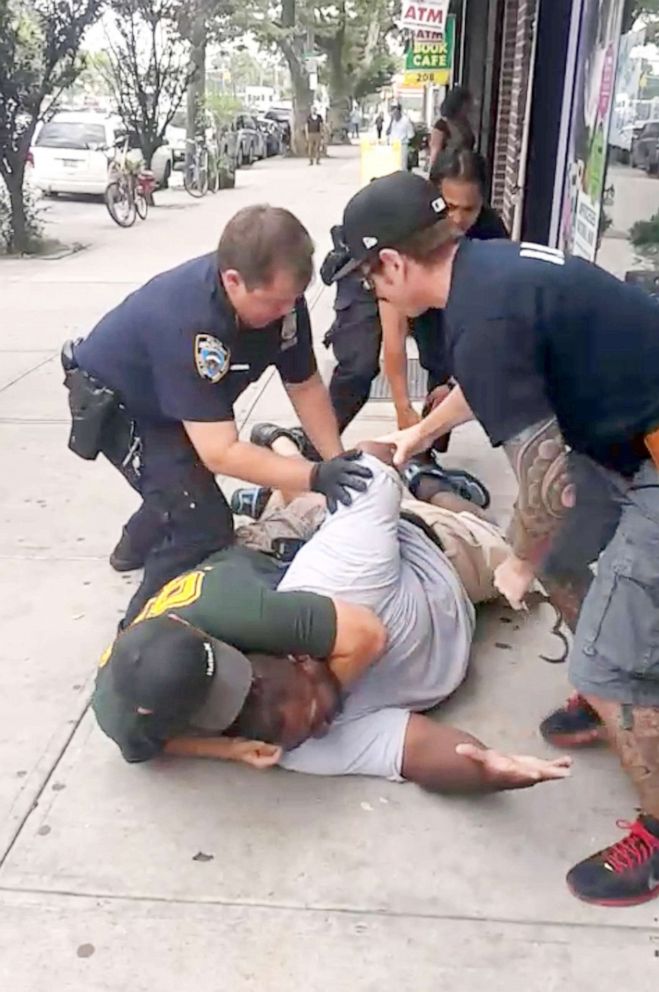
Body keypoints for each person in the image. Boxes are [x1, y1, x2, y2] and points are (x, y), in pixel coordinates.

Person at [333, 168, 659, 907]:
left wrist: (517, 560)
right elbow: (498, 381)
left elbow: (549, 490)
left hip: (645, 457)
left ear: (392, 262)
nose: (370, 292)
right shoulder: (487, 269)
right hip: (629, 439)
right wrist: (417, 431)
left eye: (366, 277)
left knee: (607, 653)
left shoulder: (477, 320)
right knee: (569, 563)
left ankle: (641, 767)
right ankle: (612, 687)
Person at [94, 437, 570, 797]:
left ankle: (412, 477)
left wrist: (382, 453)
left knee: (505, 543)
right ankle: (281, 473)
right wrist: (486, 769)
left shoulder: (320, 586)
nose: (320, 723)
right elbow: (418, 752)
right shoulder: (294, 741)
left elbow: (368, 474)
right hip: (297, 559)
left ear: (300, 655)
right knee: (297, 514)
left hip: (431, 549)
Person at [62, 205, 371, 625]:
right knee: (201, 524)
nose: (287, 312)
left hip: (173, 400)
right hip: (121, 403)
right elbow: (220, 452)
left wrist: (335, 459)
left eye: (293, 300)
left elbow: (305, 383)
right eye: (276, 302)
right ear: (233, 281)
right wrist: (312, 477)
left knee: (180, 486)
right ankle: (139, 640)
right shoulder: (190, 320)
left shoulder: (283, 302)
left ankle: (134, 544)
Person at [318, 224, 489, 508]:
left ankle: (421, 464)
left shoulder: (482, 302)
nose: (458, 219)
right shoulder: (398, 270)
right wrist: (409, 416)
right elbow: (393, 339)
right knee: (357, 368)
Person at [379, 150, 508, 449]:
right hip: (391, 283)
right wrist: (402, 406)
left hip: (456, 303)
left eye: (469, 209)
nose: (458, 220)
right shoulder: (408, 230)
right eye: (449, 207)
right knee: (357, 366)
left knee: (445, 379)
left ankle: (426, 451)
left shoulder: (491, 234)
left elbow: (494, 327)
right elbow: (394, 332)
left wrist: (453, 383)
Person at [428, 85, 475, 172]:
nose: (470, 106)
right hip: (450, 170)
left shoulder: (465, 123)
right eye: (467, 103)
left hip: (466, 168)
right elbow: (435, 152)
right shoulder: (442, 125)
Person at [387, 105, 415, 170]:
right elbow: (387, 132)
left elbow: (411, 135)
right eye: (393, 113)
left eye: (396, 113)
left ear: (399, 112)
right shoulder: (391, 121)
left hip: (402, 145)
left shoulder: (406, 121)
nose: (394, 115)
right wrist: (391, 122)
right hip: (393, 145)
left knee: (402, 165)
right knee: (392, 165)